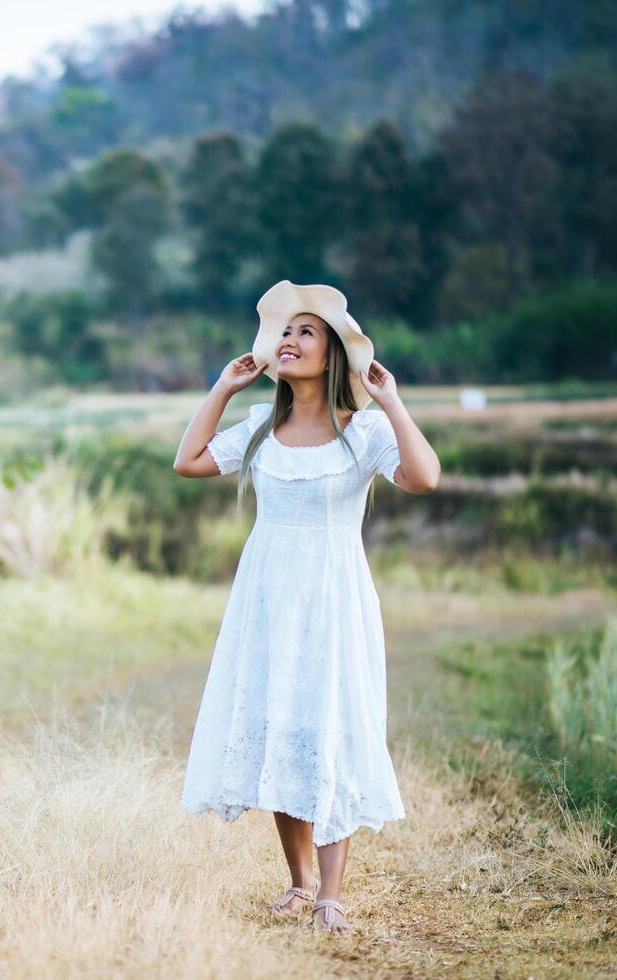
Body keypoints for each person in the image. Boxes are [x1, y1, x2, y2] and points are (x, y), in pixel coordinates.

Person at [171, 280, 441, 936]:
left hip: (333, 595)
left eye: (304, 333)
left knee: (326, 728)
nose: (288, 342)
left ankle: (330, 892)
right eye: (283, 333)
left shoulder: (365, 429)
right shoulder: (260, 432)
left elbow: (424, 477)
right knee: (279, 728)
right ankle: (295, 883)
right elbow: (188, 461)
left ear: (331, 356)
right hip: (266, 597)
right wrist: (222, 389)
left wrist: (393, 401)